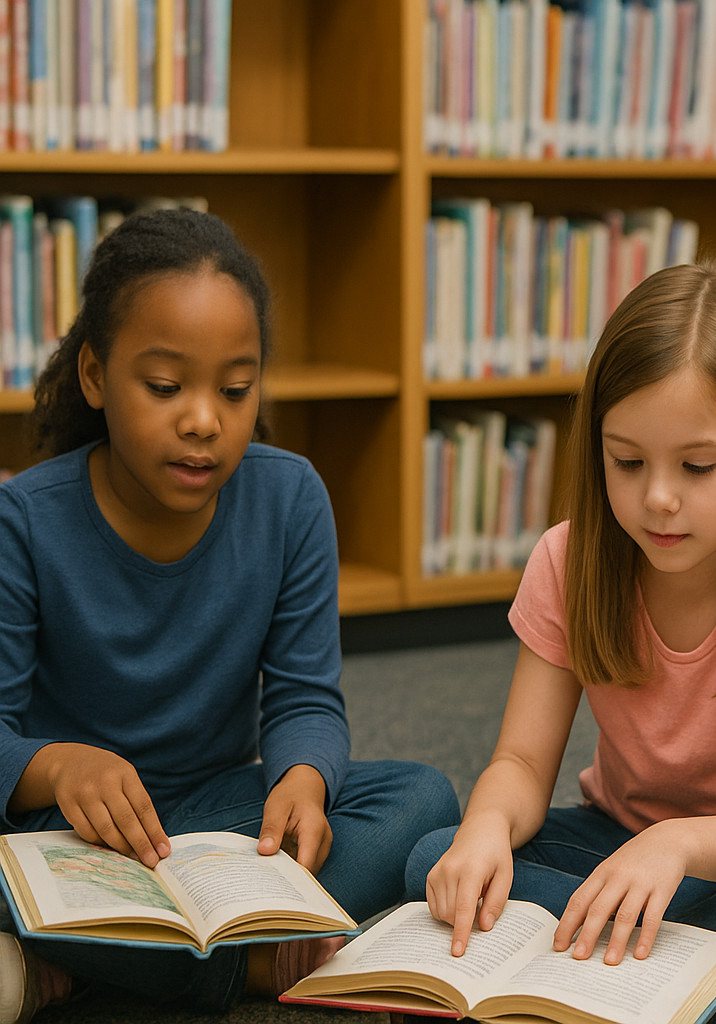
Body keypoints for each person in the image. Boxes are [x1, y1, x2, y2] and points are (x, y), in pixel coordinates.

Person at [0, 207, 461, 1021]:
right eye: (166, 387)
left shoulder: (291, 500)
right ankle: (247, 968)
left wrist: (303, 779)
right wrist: (61, 766)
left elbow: (305, 697)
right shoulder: (26, 522)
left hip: (218, 822)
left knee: (421, 802)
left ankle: (80, 967)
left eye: (236, 389)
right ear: (96, 376)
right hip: (67, 835)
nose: (205, 420)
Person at [405, 258, 716, 1017]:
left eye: (698, 466)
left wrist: (680, 847)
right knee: (438, 859)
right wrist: (487, 829)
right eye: (626, 461)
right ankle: (680, 975)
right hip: (621, 838)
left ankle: (587, 953)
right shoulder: (568, 560)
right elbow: (524, 761)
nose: (658, 499)